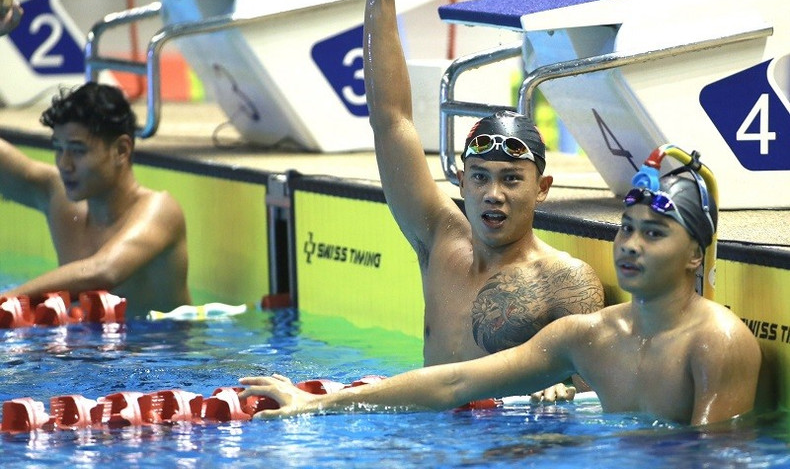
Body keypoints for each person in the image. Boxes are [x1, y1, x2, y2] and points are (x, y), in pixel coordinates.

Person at [239, 165, 762, 426]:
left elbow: (710, 458)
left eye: (654, 233)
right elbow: (456, 381)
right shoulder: (587, 336)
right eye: (626, 228)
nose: (629, 245)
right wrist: (322, 403)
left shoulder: (717, 341)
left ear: (695, 255)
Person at [347, 0, 603, 397]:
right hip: (431, 438)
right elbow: (391, 120)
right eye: (480, 177)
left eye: (512, 179)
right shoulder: (440, 240)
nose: (493, 193)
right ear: (460, 181)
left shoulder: (565, 281)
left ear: (543, 188)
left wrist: (569, 392)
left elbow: (602, 391)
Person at [0, 82, 191, 316]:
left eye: (78, 151)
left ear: (121, 150)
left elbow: (103, 271)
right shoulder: (59, 198)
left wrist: (7, 300)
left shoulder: (159, 210)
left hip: (159, 349)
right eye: (59, 149)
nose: (64, 164)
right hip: (88, 345)